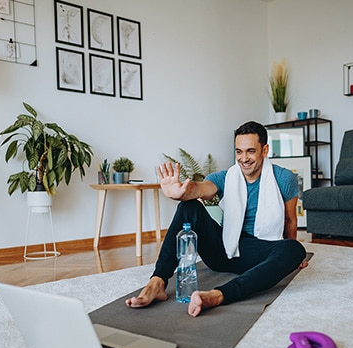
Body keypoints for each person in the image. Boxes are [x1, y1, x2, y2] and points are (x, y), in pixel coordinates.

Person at [125, 121, 308, 317]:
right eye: (239, 152)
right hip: (224, 250)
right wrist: (180, 193)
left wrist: (291, 259)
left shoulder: (284, 178)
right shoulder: (226, 177)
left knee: (294, 249)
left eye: (250, 151)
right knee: (189, 206)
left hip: (258, 253)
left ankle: (219, 295)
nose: (243, 158)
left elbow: (290, 220)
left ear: (264, 150)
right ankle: (158, 281)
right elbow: (201, 189)